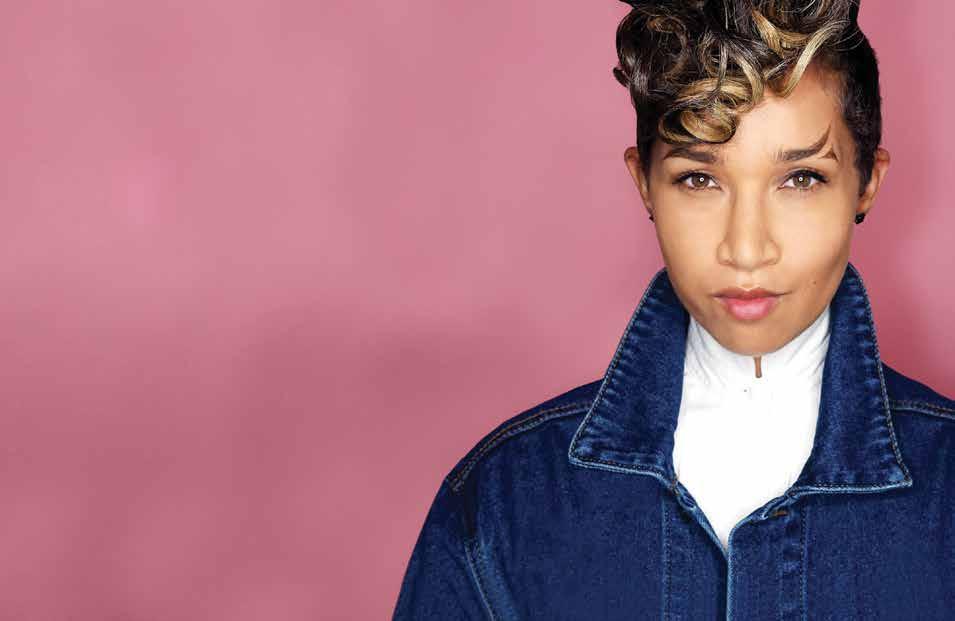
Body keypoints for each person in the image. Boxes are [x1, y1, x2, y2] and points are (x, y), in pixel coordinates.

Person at [393, 1, 955, 618]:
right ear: (645, 184)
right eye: (698, 179)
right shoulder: (502, 506)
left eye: (800, 179)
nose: (746, 249)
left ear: (867, 182)